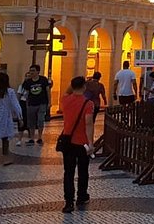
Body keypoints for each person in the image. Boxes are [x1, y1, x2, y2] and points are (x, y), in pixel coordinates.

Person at [60, 76, 95, 213]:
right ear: (84, 87)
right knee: (83, 171)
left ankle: (69, 202)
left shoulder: (65, 100)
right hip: (82, 142)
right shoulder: (88, 103)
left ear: (72, 86)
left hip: (67, 141)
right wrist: (91, 143)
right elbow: (88, 124)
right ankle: (82, 196)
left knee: (68, 172)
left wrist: (72, 85)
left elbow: (67, 91)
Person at [21, 65, 51, 145]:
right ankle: (32, 138)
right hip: (31, 103)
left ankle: (40, 137)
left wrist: (49, 102)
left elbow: (47, 91)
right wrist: (26, 104)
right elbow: (26, 93)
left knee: (40, 120)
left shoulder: (43, 80)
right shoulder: (28, 82)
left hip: (42, 103)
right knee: (31, 121)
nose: (31, 72)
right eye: (30, 70)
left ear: (38, 71)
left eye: (33, 70)